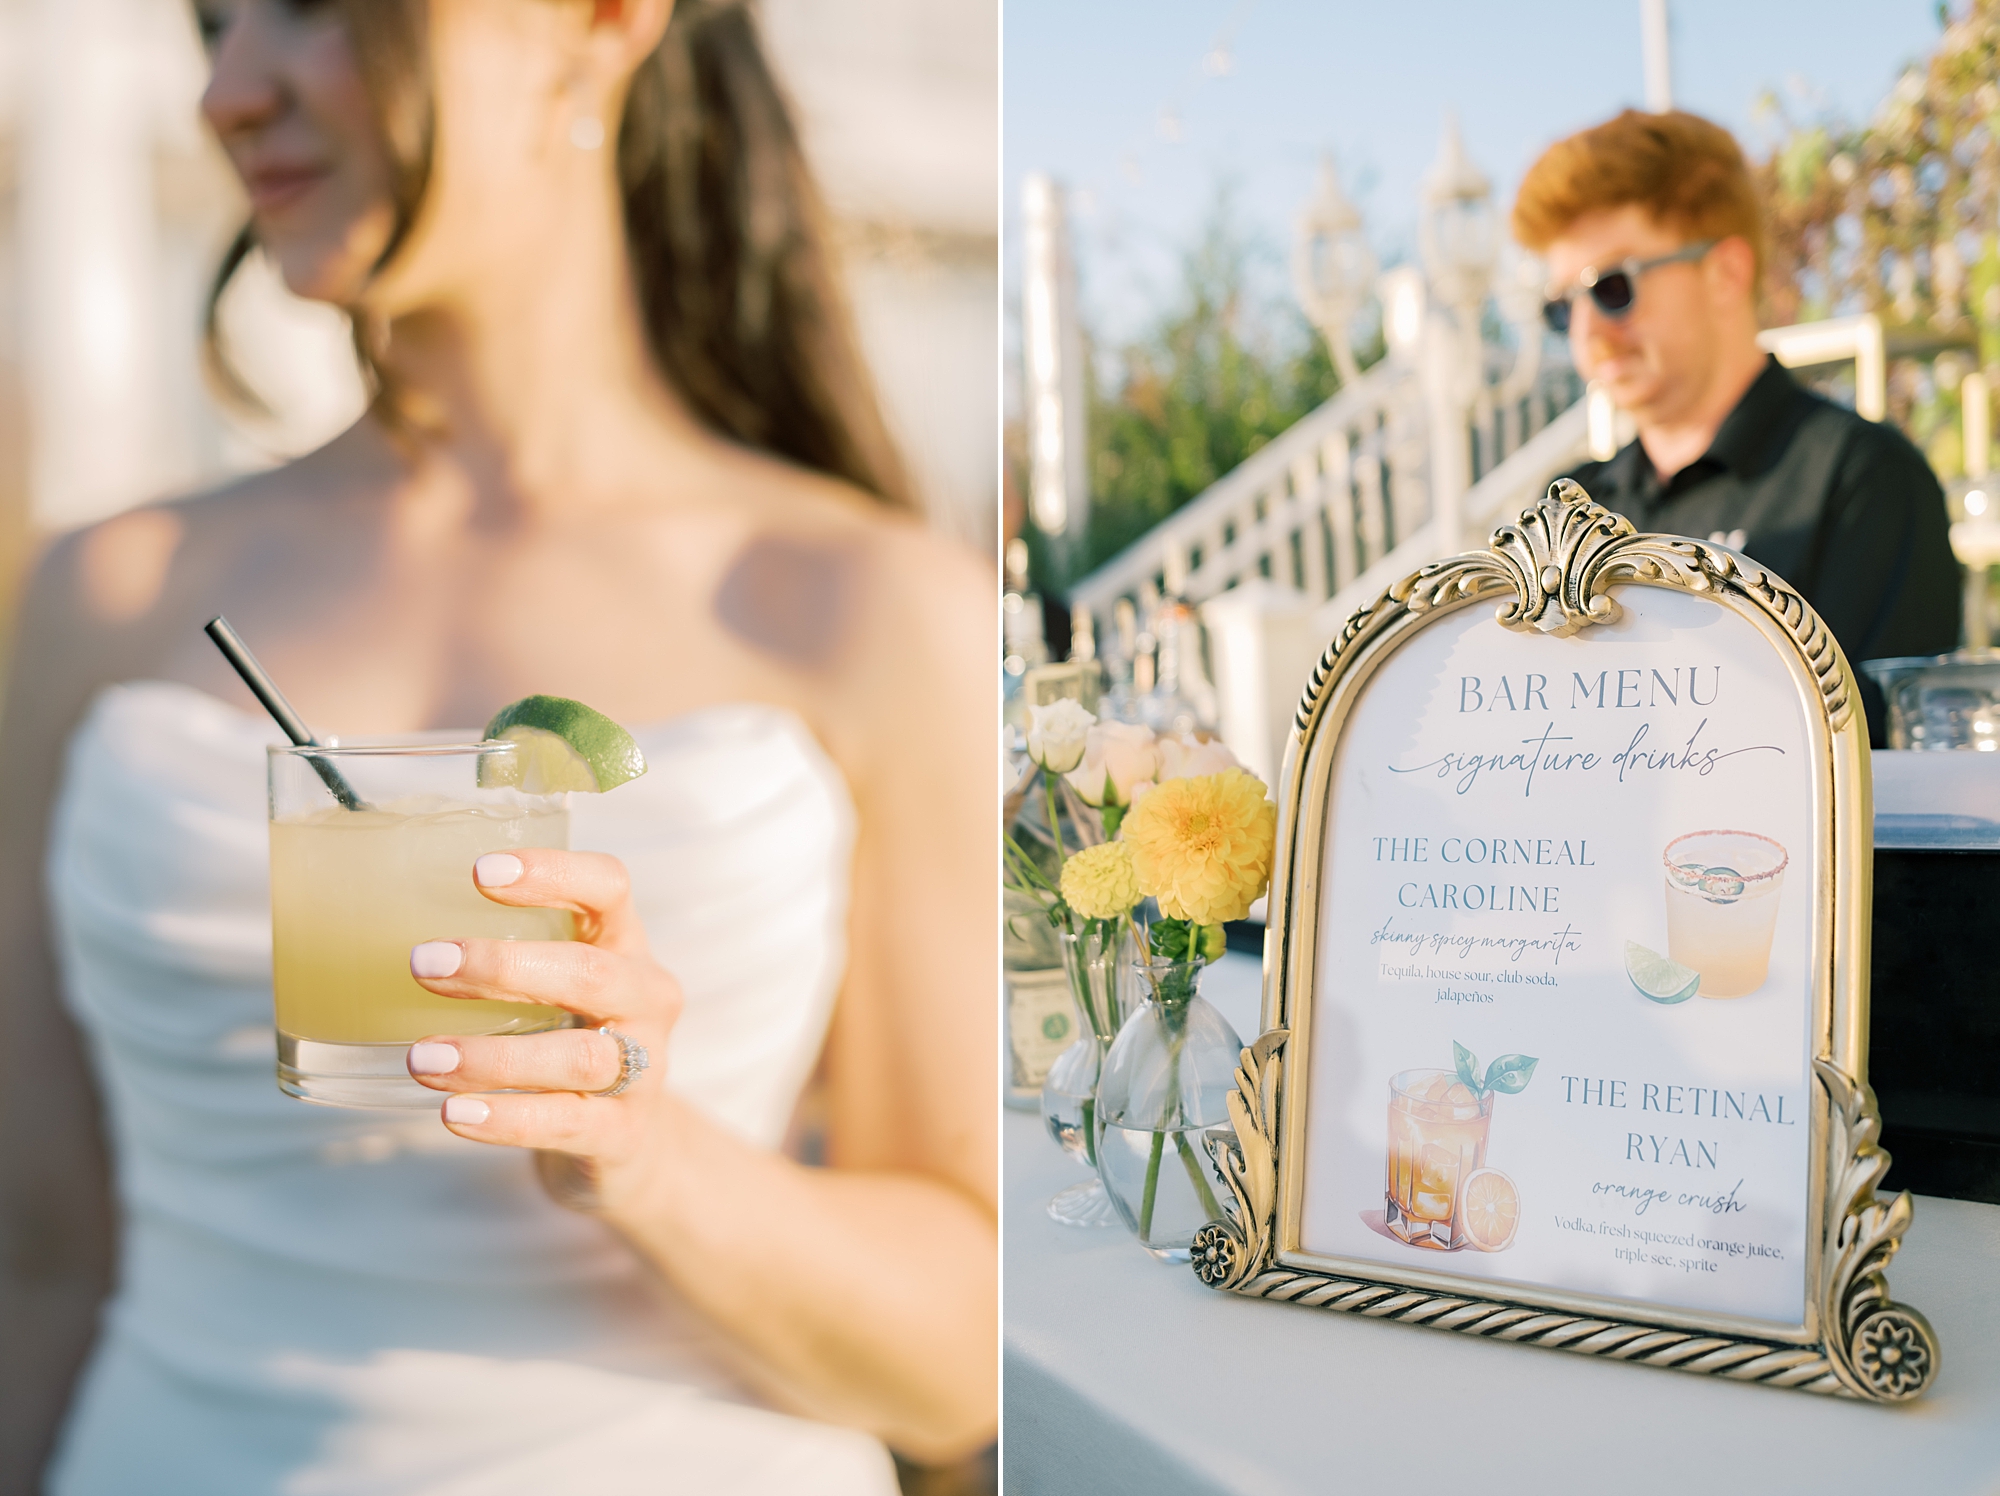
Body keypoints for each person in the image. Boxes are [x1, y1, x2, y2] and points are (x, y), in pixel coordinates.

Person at [0, 1, 996, 1492]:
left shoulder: (872, 606)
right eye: (215, 21)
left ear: (601, 21)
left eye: (315, 6)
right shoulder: (106, 596)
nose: (225, 90)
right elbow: (38, 1260)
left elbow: (961, 1369)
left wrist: (655, 1156)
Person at [1513, 109, 1960, 742]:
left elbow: (1867, 769)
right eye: (1561, 308)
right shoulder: (1570, 506)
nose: (1586, 334)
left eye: (1612, 286)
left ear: (1725, 272)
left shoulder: (1863, 477)